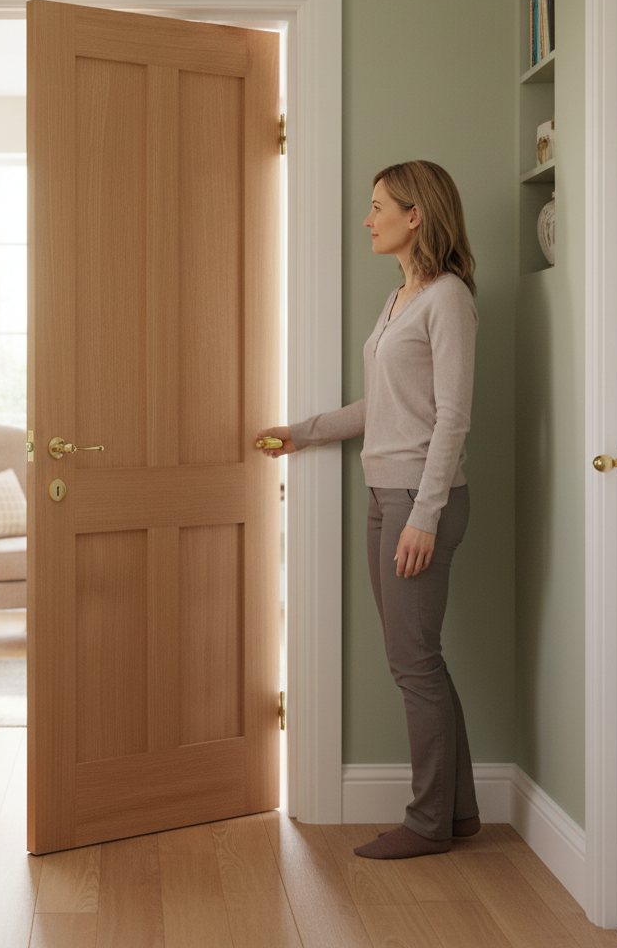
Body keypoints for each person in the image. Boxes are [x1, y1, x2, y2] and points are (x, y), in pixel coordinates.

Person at [258, 160, 480, 860]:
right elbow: (380, 406)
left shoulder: (447, 299)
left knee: (413, 664)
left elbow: (452, 419)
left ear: (416, 216)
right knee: (420, 663)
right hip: (387, 493)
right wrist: (302, 432)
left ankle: (425, 823)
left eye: (379, 206)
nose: (368, 218)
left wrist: (424, 515)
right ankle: (460, 814)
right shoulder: (399, 301)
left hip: (421, 500)